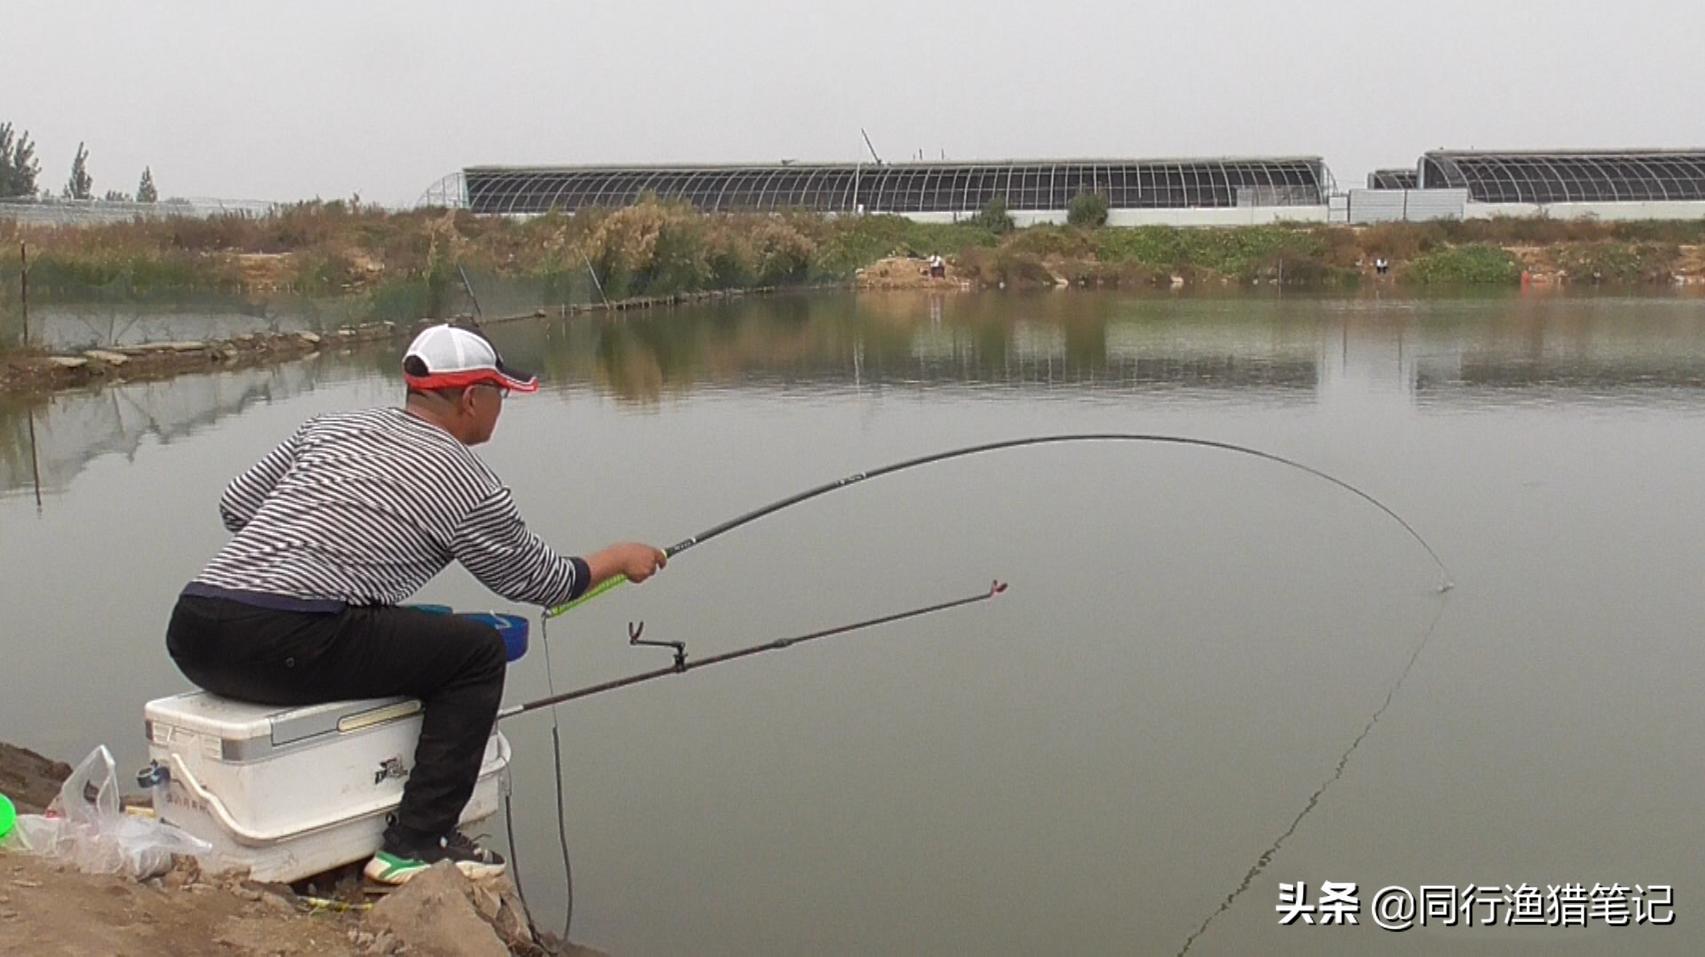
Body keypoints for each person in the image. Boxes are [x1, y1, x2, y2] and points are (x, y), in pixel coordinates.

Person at [164, 324, 667, 885]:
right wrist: (621, 558)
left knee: (422, 630)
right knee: (477, 653)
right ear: (473, 399)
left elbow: (236, 507)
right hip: (284, 640)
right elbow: (542, 581)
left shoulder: (330, 427)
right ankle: (415, 843)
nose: (502, 408)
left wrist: (325, 550)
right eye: (500, 395)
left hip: (195, 629)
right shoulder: (466, 482)